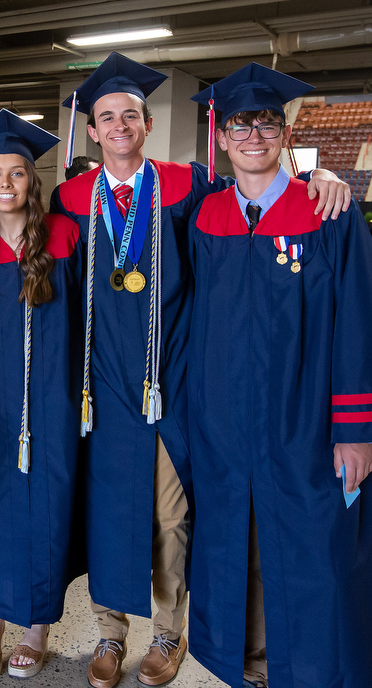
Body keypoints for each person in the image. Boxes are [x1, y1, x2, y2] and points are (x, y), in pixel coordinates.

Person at [43, 53, 353, 688]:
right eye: (107, 116)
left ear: (148, 122)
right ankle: (109, 631)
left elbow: (260, 205)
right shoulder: (70, 199)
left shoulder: (191, 190)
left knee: (171, 516)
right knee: (107, 509)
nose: (120, 124)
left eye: (131, 113)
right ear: (94, 130)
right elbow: (42, 263)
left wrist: (330, 181)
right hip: (98, 385)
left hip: (173, 383)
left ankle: (167, 631)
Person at [187, 64, 372, 688]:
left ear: (285, 133)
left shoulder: (330, 213)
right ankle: (250, 668)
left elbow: (358, 326)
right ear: (220, 137)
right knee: (233, 547)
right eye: (240, 124)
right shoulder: (205, 219)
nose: (254, 134)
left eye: (267, 122)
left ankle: (315, 671)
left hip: (306, 426)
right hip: (224, 428)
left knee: (314, 551)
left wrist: (355, 429)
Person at [0, 110, 85, 682]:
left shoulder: (63, 236)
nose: (5, 184)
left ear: (33, 181)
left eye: (16, 173)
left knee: (47, 507)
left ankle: (36, 625)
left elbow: (88, 316)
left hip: (51, 401)